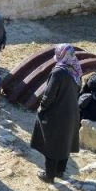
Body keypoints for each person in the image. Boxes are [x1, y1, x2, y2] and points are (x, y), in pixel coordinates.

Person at [31, 44, 81, 183]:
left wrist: (42, 108)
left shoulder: (58, 72)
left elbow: (49, 94)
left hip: (57, 113)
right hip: (72, 112)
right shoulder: (75, 69)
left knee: (52, 143)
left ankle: (49, 175)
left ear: (61, 54)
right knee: (65, 141)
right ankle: (60, 171)